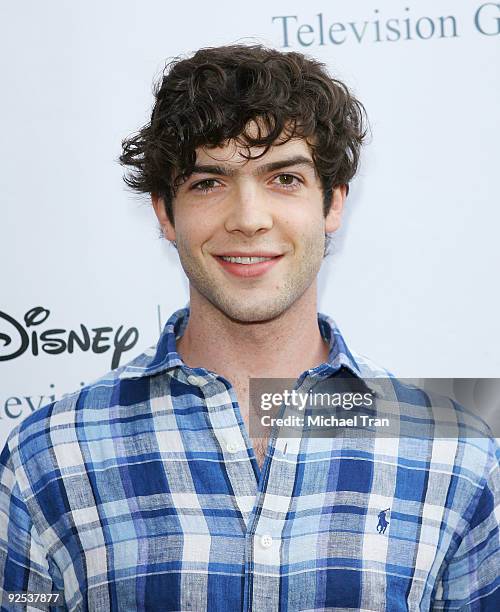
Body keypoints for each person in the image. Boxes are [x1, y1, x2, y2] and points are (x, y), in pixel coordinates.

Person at [0, 44, 498, 611]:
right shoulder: (49, 456)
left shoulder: (455, 457)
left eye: (284, 178)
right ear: (165, 212)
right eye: (208, 183)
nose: (249, 218)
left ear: (333, 203)